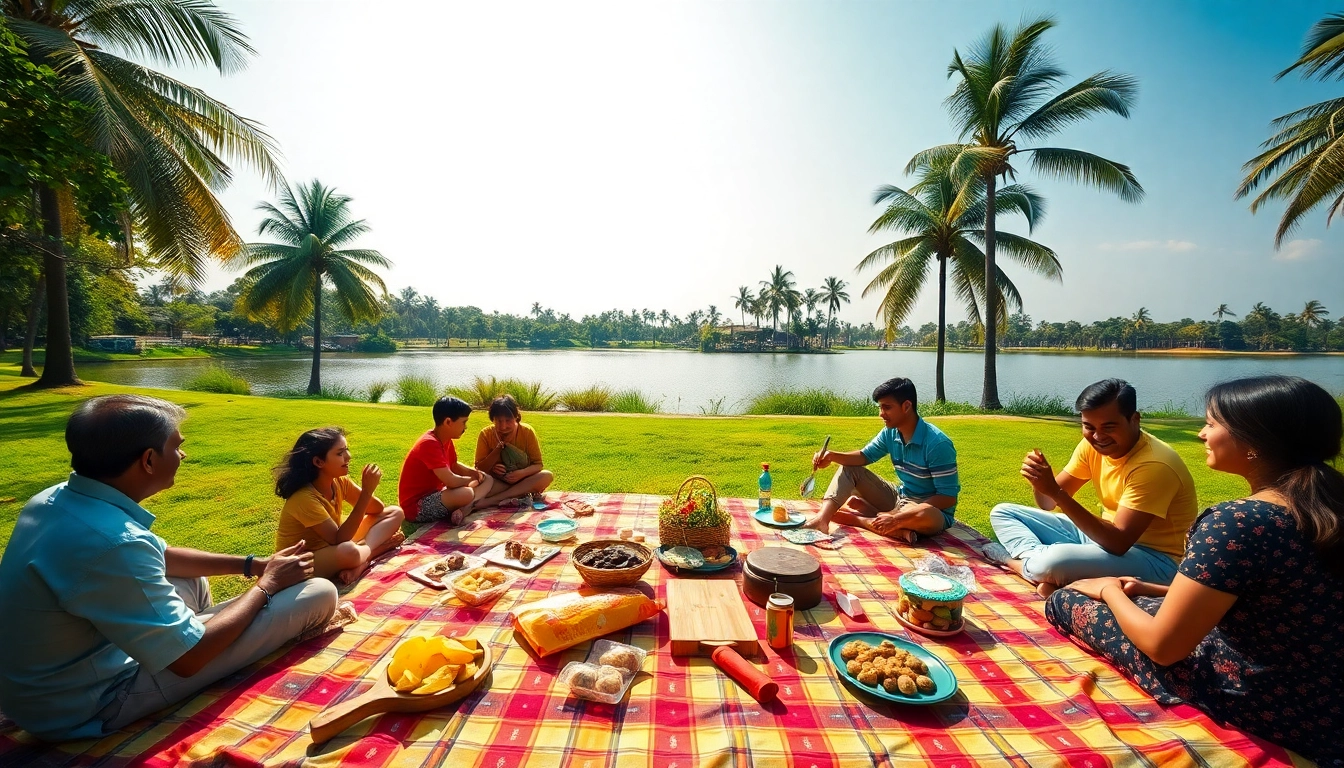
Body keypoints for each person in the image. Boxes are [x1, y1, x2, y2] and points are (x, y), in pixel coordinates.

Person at [1045, 376, 1344, 765]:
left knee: (1067, 599)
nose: (1202, 434)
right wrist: (1150, 589)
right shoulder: (1328, 503)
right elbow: (1280, 598)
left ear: (1254, 442)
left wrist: (1109, 591)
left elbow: (1164, 648)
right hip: (1325, 694)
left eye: (1212, 424)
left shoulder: (1239, 522)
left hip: (1261, 699)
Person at [0, 395, 336, 742]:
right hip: (85, 704)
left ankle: (196, 633)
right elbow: (187, 662)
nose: (183, 456)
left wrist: (254, 565)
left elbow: (164, 556)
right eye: (177, 447)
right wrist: (267, 585)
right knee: (319, 593)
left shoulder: (56, 499)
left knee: (190, 578)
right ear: (148, 460)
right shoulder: (114, 542)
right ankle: (200, 637)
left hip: (40, 690)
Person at [982, 379, 1198, 597]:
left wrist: (1055, 491)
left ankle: (1020, 565)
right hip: (1102, 539)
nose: (1098, 437)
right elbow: (1048, 503)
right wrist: (1041, 484)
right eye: (1089, 427)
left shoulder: (1154, 465)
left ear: (1134, 419)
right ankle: (1044, 568)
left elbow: (1119, 542)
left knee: (1053, 562)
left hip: (1156, 560)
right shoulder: (1091, 446)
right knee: (1003, 512)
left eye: (1109, 427)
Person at [803, 377, 959, 543]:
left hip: (929, 510)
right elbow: (864, 456)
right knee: (849, 468)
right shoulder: (890, 433)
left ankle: (863, 520)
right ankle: (822, 519)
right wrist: (833, 456)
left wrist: (896, 517)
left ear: (906, 406)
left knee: (927, 514)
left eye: (887, 407)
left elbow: (947, 497)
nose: (881, 414)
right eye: (880, 407)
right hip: (901, 497)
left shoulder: (937, 444)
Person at [273, 427, 406, 584]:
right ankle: (369, 555)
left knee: (395, 513)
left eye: (346, 450)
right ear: (318, 462)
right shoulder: (303, 498)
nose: (348, 457)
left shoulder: (339, 481)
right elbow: (338, 539)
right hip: (300, 562)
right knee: (348, 551)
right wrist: (366, 491)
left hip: (332, 547)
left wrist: (367, 492)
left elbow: (376, 509)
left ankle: (362, 553)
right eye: (340, 453)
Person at [398, 396, 494, 526]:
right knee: (466, 493)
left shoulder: (445, 439)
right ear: (448, 422)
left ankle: (466, 508)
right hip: (417, 507)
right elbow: (451, 481)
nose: (465, 427)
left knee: (488, 479)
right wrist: (471, 480)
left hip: (437, 494)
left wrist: (474, 473)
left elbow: (453, 465)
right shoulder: (429, 443)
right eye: (463, 422)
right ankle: (468, 505)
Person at [473, 395, 555, 508]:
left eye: (508, 420)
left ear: (516, 417)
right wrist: (493, 466)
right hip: (499, 484)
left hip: (523, 481)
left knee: (547, 476)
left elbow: (538, 465)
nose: (503, 426)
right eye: (499, 421)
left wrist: (521, 473)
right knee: (474, 485)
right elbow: (479, 468)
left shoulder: (527, 432)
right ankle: (520, 495)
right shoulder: (486, 434)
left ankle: (493, 500)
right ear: (493, 419)